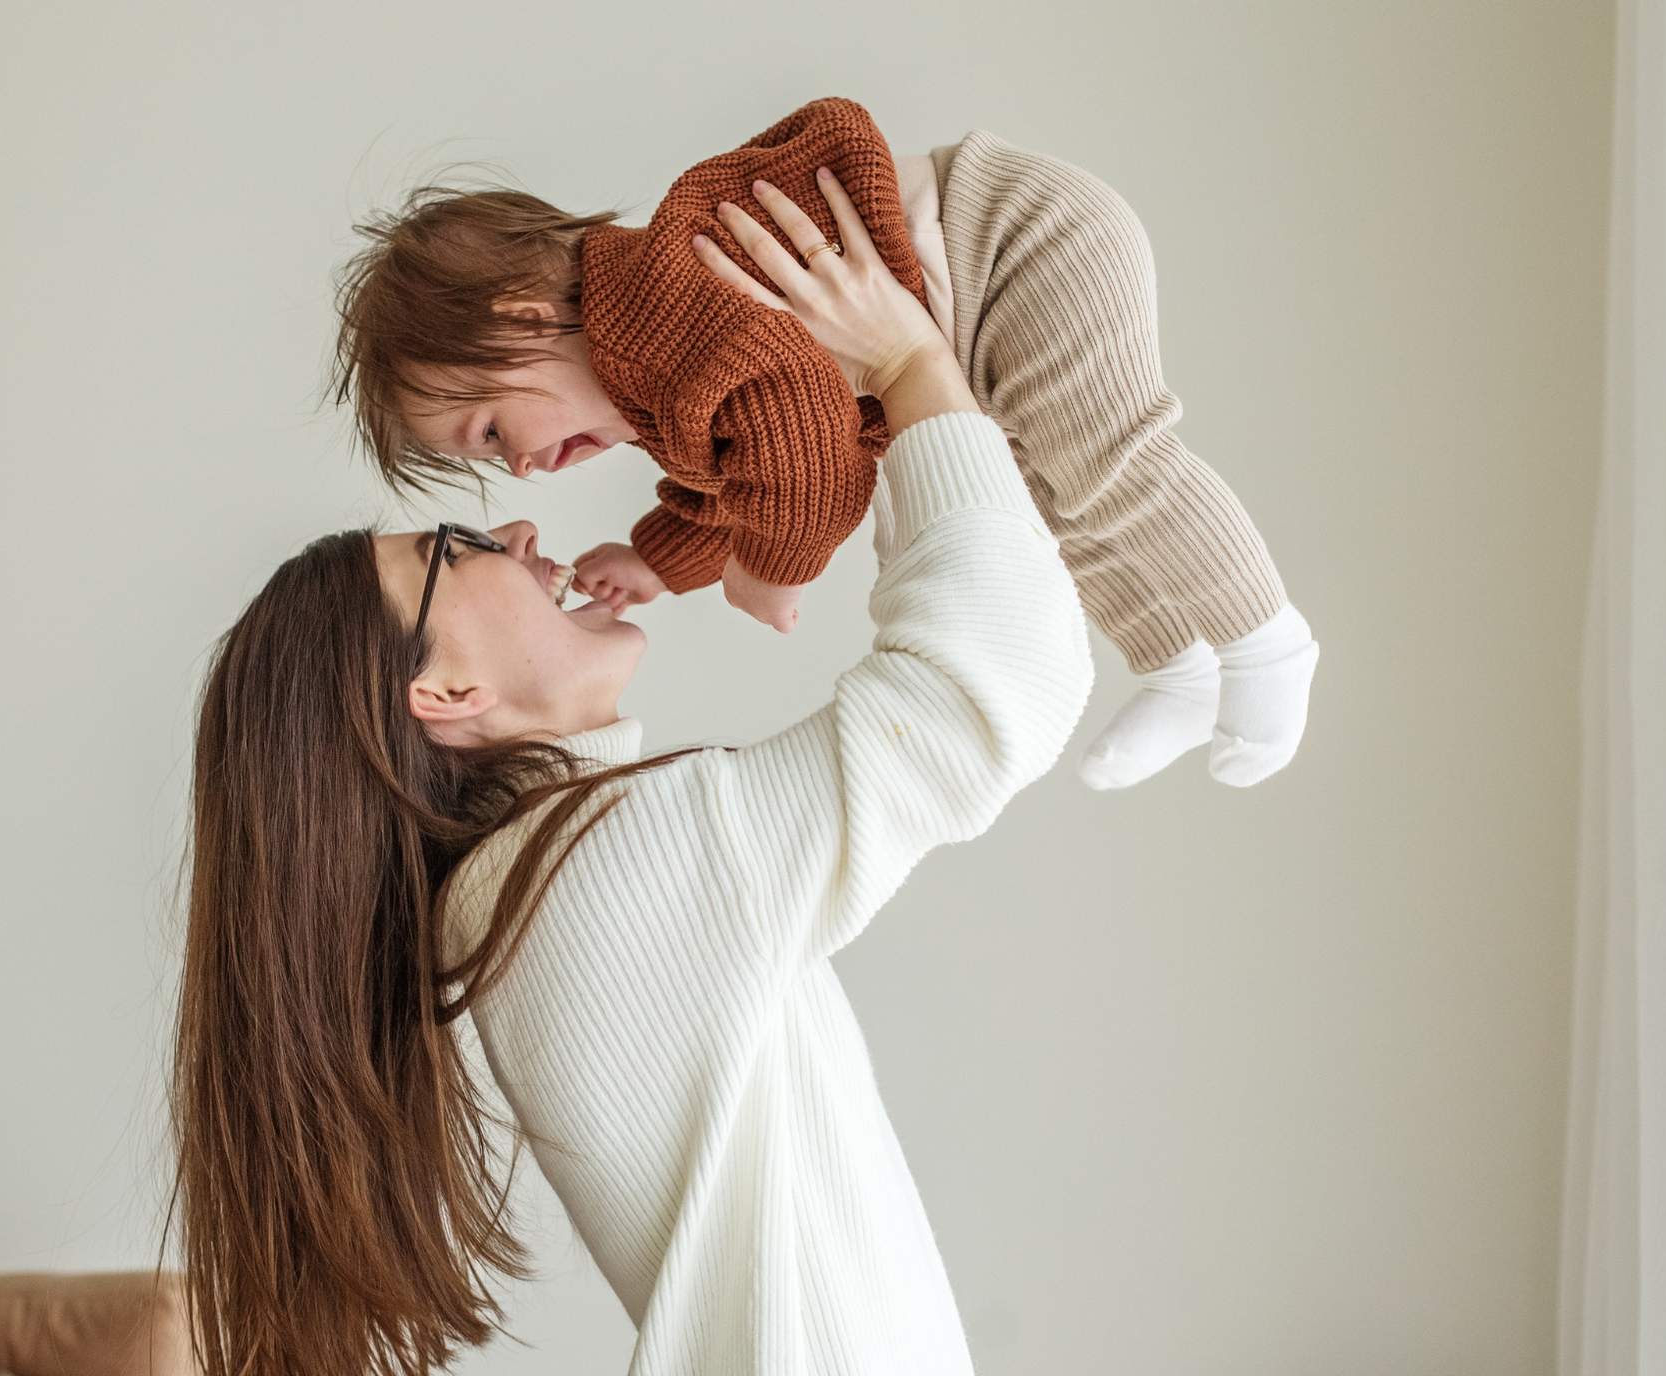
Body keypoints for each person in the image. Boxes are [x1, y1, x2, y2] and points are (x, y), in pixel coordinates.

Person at [172, 180, 1089, 1376]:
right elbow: (994, 679)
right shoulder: (594, 868)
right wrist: (908, 365)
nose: (523, 529)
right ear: (442, 694)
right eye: (459, 547)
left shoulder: (529, 890)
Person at [334, 96, 1319, 790]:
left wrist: (772, 564)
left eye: (493, 428)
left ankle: (1268, 644)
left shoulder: (656, 305)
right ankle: (1178, 665)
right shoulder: (647, 376)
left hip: (1010, 243)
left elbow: (802, 437)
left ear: (521, 320)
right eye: (488, 458)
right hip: (972, 317)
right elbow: (723, 477)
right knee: (1057, 499)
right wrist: (656, 559)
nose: (513, 468)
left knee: (1112, 469)